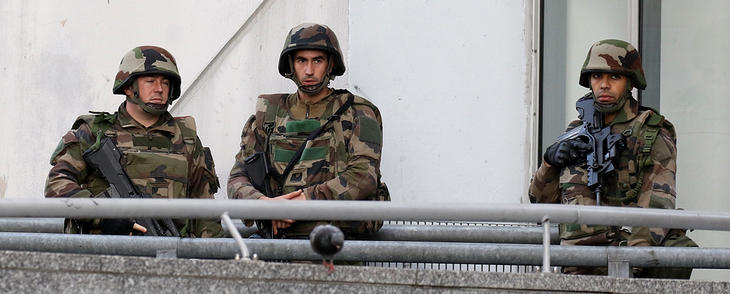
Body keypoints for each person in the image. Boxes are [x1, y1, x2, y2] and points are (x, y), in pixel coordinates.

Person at [529, 39, 696, 278]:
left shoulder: (650, 133)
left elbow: (657, 206)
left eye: (614, 77)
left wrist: (626, 272)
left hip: (627, 266)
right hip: (576, 270)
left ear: (630, 83)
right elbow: (540, 203)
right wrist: (549, 164)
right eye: (597, 76)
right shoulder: (576, 131)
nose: (604, 85)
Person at [228, 23, 388, 239]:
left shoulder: (358, 112)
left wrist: (300, 202)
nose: (309, 70)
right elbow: (238, 177)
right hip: (276, 242)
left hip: (335, 246)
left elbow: (363, 177)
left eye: (318, 60)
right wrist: (265, 206)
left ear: (331, 64)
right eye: (301, 60)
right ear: (291, 65)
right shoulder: (268, 114)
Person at [45, 46, 222, 237]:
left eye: (165, 83)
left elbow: (205, 210)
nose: (159, 89)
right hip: (102, 255)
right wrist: (103, 215)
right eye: (150, 81)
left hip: (172, 254)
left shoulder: (186, 138)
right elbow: (56, 184)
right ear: (128, 87)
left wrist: (210, 258)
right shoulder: (94, 133)